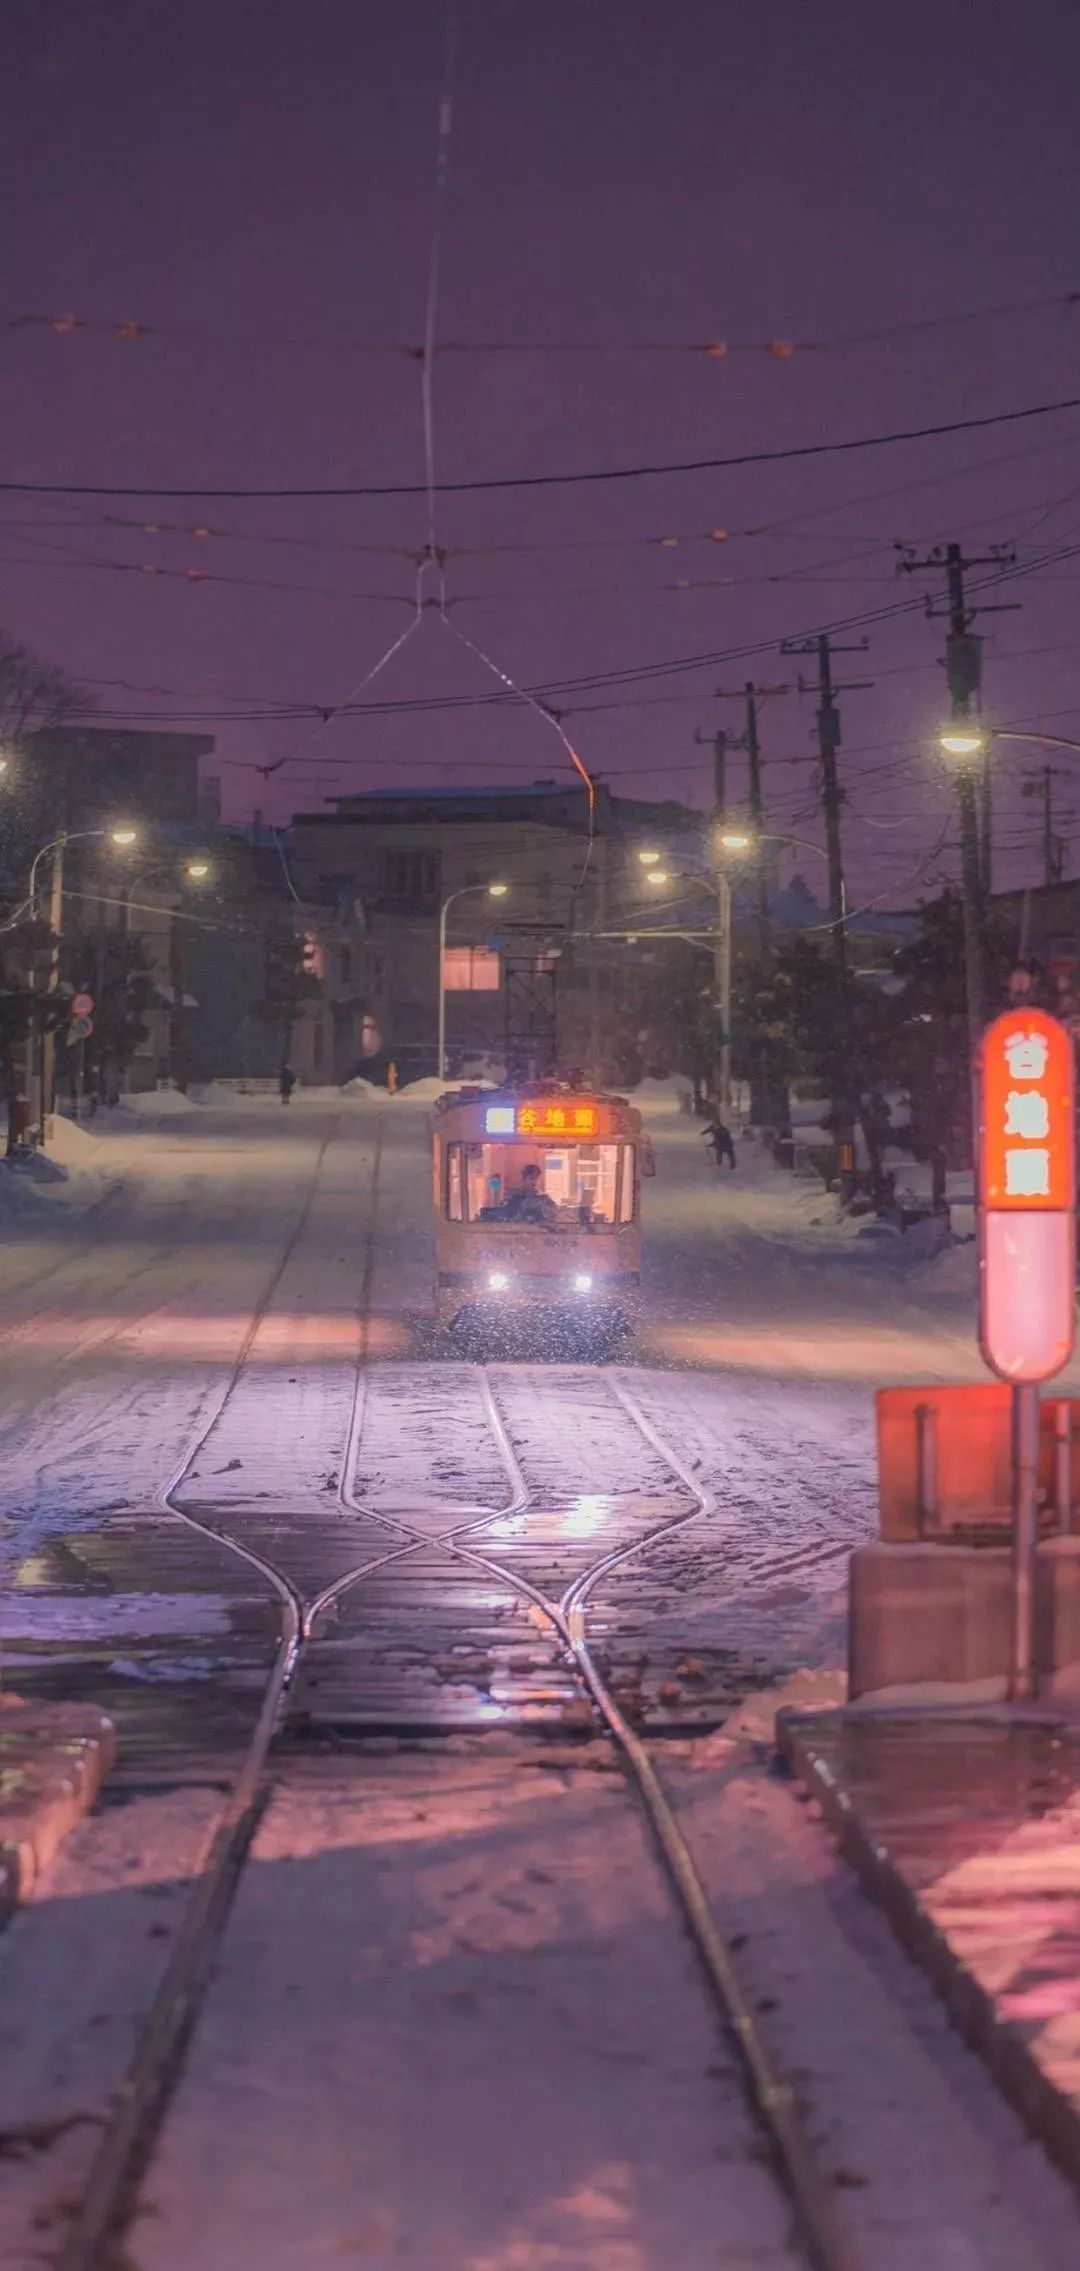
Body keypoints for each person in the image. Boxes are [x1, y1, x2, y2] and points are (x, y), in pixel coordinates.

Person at [503, 1161, 558, 1226]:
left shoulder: (544, 1198)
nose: (534, 1182)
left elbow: (552, 1215)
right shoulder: (514, 1196)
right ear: (524, 1179)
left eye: (537, 1179)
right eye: (531, 1178)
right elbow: (507, 1217)